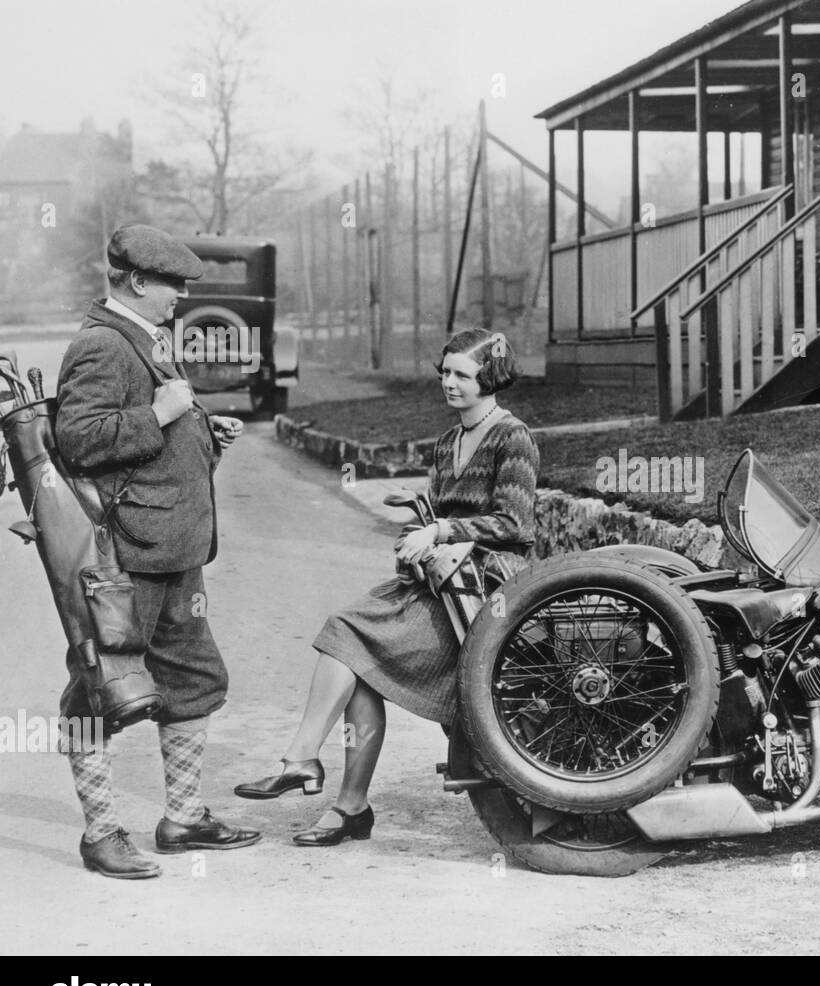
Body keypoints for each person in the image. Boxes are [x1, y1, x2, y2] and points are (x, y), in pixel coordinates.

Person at [234, 328, 539, 845]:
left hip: (486, 592)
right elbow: (443, 516)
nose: (449, 383)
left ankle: (304, 760)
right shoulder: (448, 441)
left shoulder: (513, 437)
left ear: (489, 379)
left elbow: (516, 526)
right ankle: (349, 805)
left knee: (348, 633)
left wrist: (443, 530)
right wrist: (419, 525)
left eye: (462, 375)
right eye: (444, 372)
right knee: (360, 665)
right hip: (441, 582)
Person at [55, 224, 261, 879]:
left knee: (193, 681)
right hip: (127, 556)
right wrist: (168, 416)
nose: (183, 294)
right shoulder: (103, 344)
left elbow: (149, 436)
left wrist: (201, 434)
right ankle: (101, 832)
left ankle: (182, 817)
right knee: (101, 691)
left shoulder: (144, 338)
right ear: (139, 282)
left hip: (172, 550)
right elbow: (80, 438)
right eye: (175, 283)